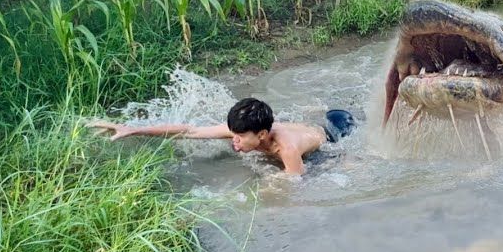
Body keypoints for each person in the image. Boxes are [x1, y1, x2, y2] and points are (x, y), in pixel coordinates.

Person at [89, 97, 357, 176]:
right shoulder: (243, 128)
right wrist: (132, 129)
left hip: (336, 131)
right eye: (234, 135)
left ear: (262, 135)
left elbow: (295, 183)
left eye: (240, 137)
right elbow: (189, 131)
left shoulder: (286, 149)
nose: (234, 141)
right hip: (310, 126)